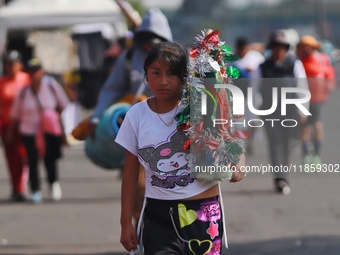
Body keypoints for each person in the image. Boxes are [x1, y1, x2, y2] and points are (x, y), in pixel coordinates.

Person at [116, 42, 246, 254]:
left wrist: (239, 162)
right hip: (158, 218)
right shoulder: (136, 116)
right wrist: (125, 223)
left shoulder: (202, 107)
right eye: (156, 73)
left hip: (203, 214)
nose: (163, 81)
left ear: (185, 77)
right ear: (146, 75)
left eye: (172, 74)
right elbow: (130, 173)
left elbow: (231, 141)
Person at [87, 8, 173, 223]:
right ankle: (140, 227)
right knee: (139, 184)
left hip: (171, 130)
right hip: (139, 129)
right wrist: (97, 117)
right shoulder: (129, 57)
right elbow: (110, 89)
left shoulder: (177, 58)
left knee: (171, 182)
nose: (148, 46)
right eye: (145, 40)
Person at [252, 30, 309, 195]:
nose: (279, 50)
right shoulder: (262, 68)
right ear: (272, 48)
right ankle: (280, 178)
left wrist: (302, 109)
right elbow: (254, 92)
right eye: (276, 47)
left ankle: (283, 175)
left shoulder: (294, 65)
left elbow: (301, 86)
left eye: (282, 47)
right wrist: (253, 115)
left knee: (287, 144)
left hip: (290, 112)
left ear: (285, 48)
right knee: (275, 144)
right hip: (270, 113)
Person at [7, 58, 69, 204]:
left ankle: (53, 184)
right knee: (32, 161)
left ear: (41, 71)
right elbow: (15, 115)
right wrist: (10, 132)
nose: (34, 74)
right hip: (29, 131)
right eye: (31, 71)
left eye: (36, 70)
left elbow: (63, 103)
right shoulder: (23, 92)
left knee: (49, 159)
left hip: (47, 130)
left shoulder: (51, 86)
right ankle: (35, 189)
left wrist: (52, 118)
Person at [296, 35, 336, 166]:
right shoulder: (298, 61)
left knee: (317, 125)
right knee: (305, 126)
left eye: (308, 46)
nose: (306, 49)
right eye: (303, 46)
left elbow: (329, 73)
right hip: (303, 98)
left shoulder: (321, 59)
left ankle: (317, 154)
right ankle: (307, 153)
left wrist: (330, 83)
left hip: (318, 98)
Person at [0, 50, 30, 202]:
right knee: (11, 157)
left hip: (24, 125)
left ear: (20, 65)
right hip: (6, 125)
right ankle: (15, 187)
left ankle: (20, 186)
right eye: (7, 64)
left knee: (22, 156)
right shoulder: (2, 82)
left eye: (12, 64)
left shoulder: (26, 80)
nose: (9, 67)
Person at [232, 37, 265, 155]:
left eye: (245, 49)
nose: (243, 52)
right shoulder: (231, 60)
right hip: (238, 97)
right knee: (239, 123)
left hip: (254, 95)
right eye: (241, 49)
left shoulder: (256, 58)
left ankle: (249, 141)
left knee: (254, 121)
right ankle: (242, 144)